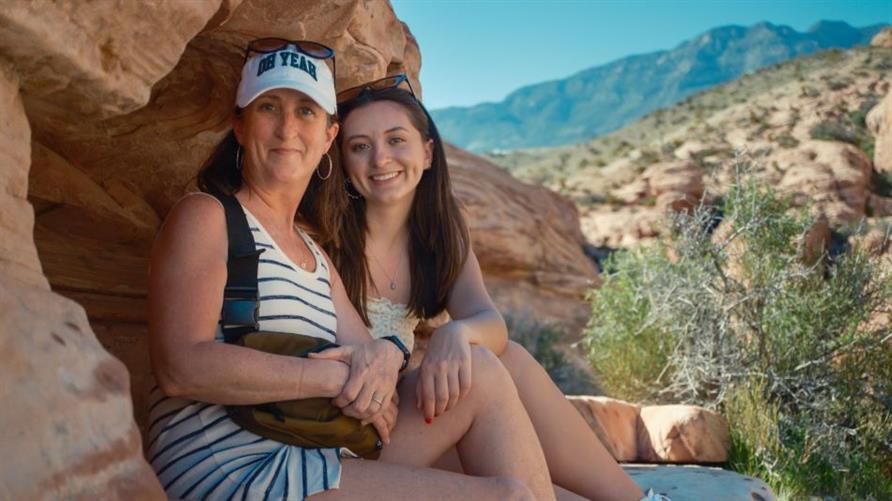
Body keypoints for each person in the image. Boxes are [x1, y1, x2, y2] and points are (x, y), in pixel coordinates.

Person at [146, 39, 555, 500]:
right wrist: (329, 378)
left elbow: (371, 353)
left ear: (328, 138)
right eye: (268, 107)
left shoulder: (315, 256)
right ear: (239, 125)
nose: (287, 128)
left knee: (481, 371)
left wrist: (384, 357)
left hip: (308, 453)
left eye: (306, 111)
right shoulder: (208, 216)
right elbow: (181, 366)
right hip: (232, 471)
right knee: (507, 497)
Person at [330, 75, 647, 501]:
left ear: (426, 154)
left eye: (395, 140)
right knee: (488, 383)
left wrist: (456, 332)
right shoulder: (326, 241)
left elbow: (489, 323)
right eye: (360, 146)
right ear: (345, 164)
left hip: (402, 430)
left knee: (507, 358)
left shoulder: (438, 235)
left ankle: (639, 499)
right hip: (344, 440)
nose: (380, 159)